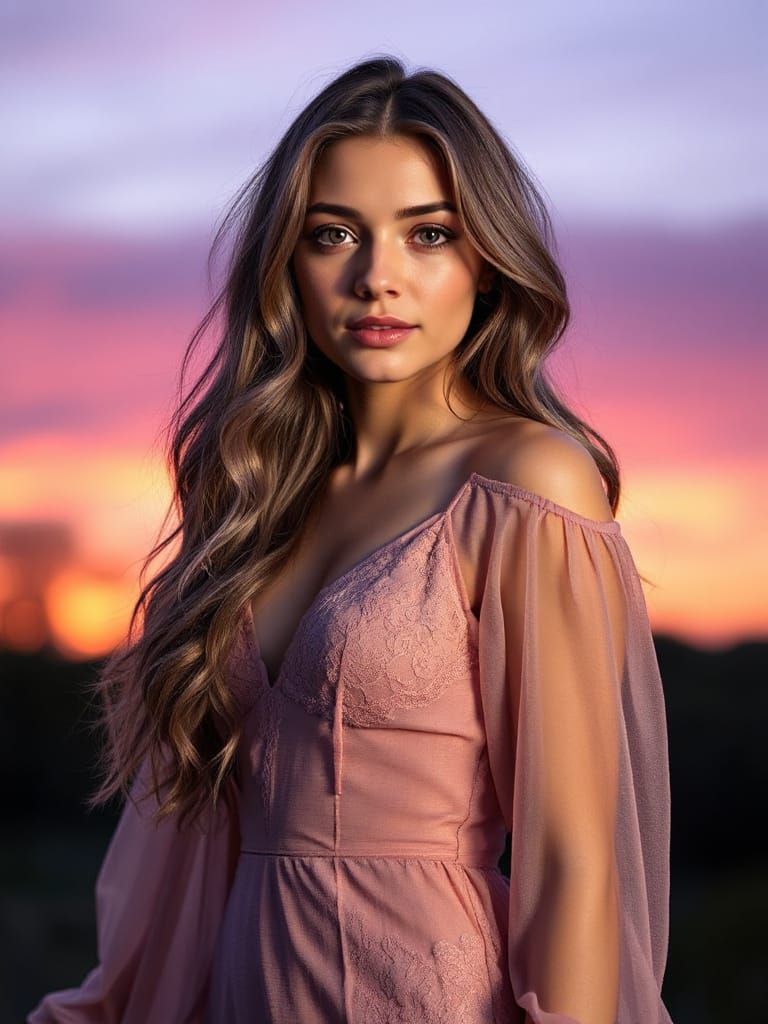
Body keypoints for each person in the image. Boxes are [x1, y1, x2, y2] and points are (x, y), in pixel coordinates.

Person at [28, 56, 673, 1023]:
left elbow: (574, 860)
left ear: (486, 263)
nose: (379, 278)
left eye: (429, 235)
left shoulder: (524, 482)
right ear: (288, 260)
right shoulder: (258, 491)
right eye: (336, 234)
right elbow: (192, 829)